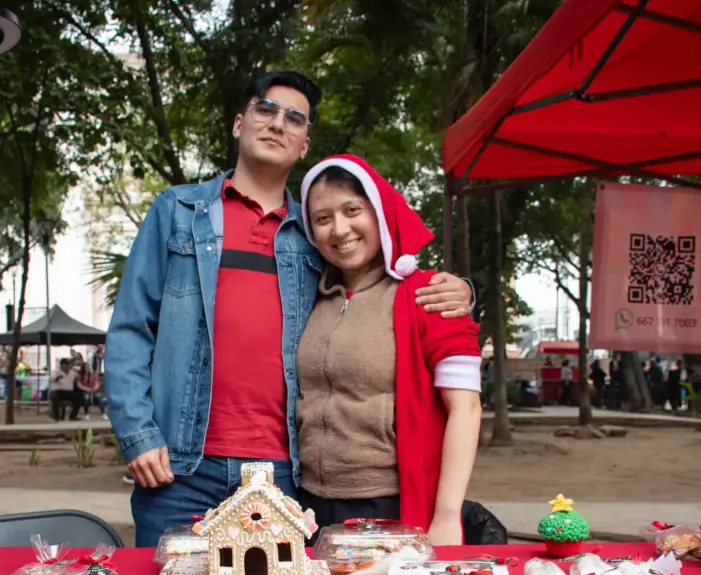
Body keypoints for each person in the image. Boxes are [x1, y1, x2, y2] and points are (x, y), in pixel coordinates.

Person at [106, 70, 473, 546]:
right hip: (179, 469)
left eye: (294, 118)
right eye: (266, 109)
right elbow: (131, 329)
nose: (278, 123)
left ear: (304, 145)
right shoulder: (177, 211)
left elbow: (376, 281)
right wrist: (138, 432)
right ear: (239, 124)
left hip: (284, 476)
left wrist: (461, 289)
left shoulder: (314, 232)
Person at [294, 156, 481, 544]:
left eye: (352, 210)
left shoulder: (430, 295)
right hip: (307, 506)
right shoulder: (307, 300)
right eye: (323, 218)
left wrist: (447, 516)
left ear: (378, 211)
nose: (340, 229)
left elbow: (466, 408)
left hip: (388, 507)